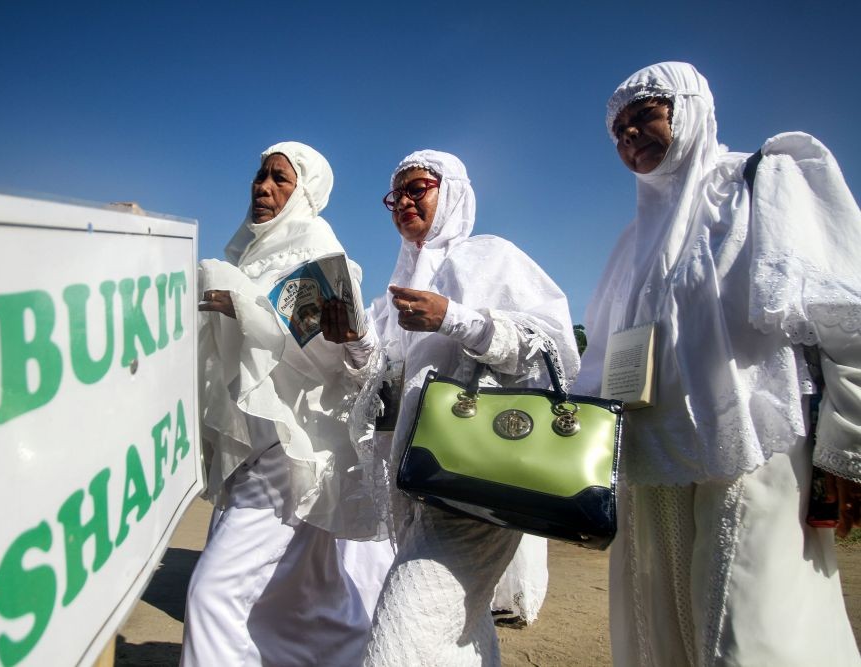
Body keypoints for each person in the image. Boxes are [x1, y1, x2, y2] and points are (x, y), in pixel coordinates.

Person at [576, 61, 861, 666]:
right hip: (654, 459)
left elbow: (844, 315)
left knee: (748, 628)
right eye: (618, 129)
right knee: (663, 624)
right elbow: (600, 358)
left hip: (754, 449)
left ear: (690, 110)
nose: (630, 136)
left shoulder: (763, 180)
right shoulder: (632, 244)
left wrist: (847, 445)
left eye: (644, 116)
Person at [362, 150, 580, 666]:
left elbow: (550, 346)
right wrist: (354, 342)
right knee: (458, 629)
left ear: (453, 192)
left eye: (420, 189)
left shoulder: (491, 257)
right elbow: (379, 377)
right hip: (418, 480)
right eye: (397, 195)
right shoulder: (400, 286)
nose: (405, 202)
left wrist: (456, 319)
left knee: (399, 641)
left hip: (477, 477)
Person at [182, 141, 392, 666]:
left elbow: (308, 351)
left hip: (292, 446)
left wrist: (236, 302)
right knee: (304, 598)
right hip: (256, 439)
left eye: (280, 179)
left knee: (214, 594)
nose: (263, 187)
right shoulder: (246, 253)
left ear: (306, 192)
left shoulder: (319, 255)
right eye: (260, 175)